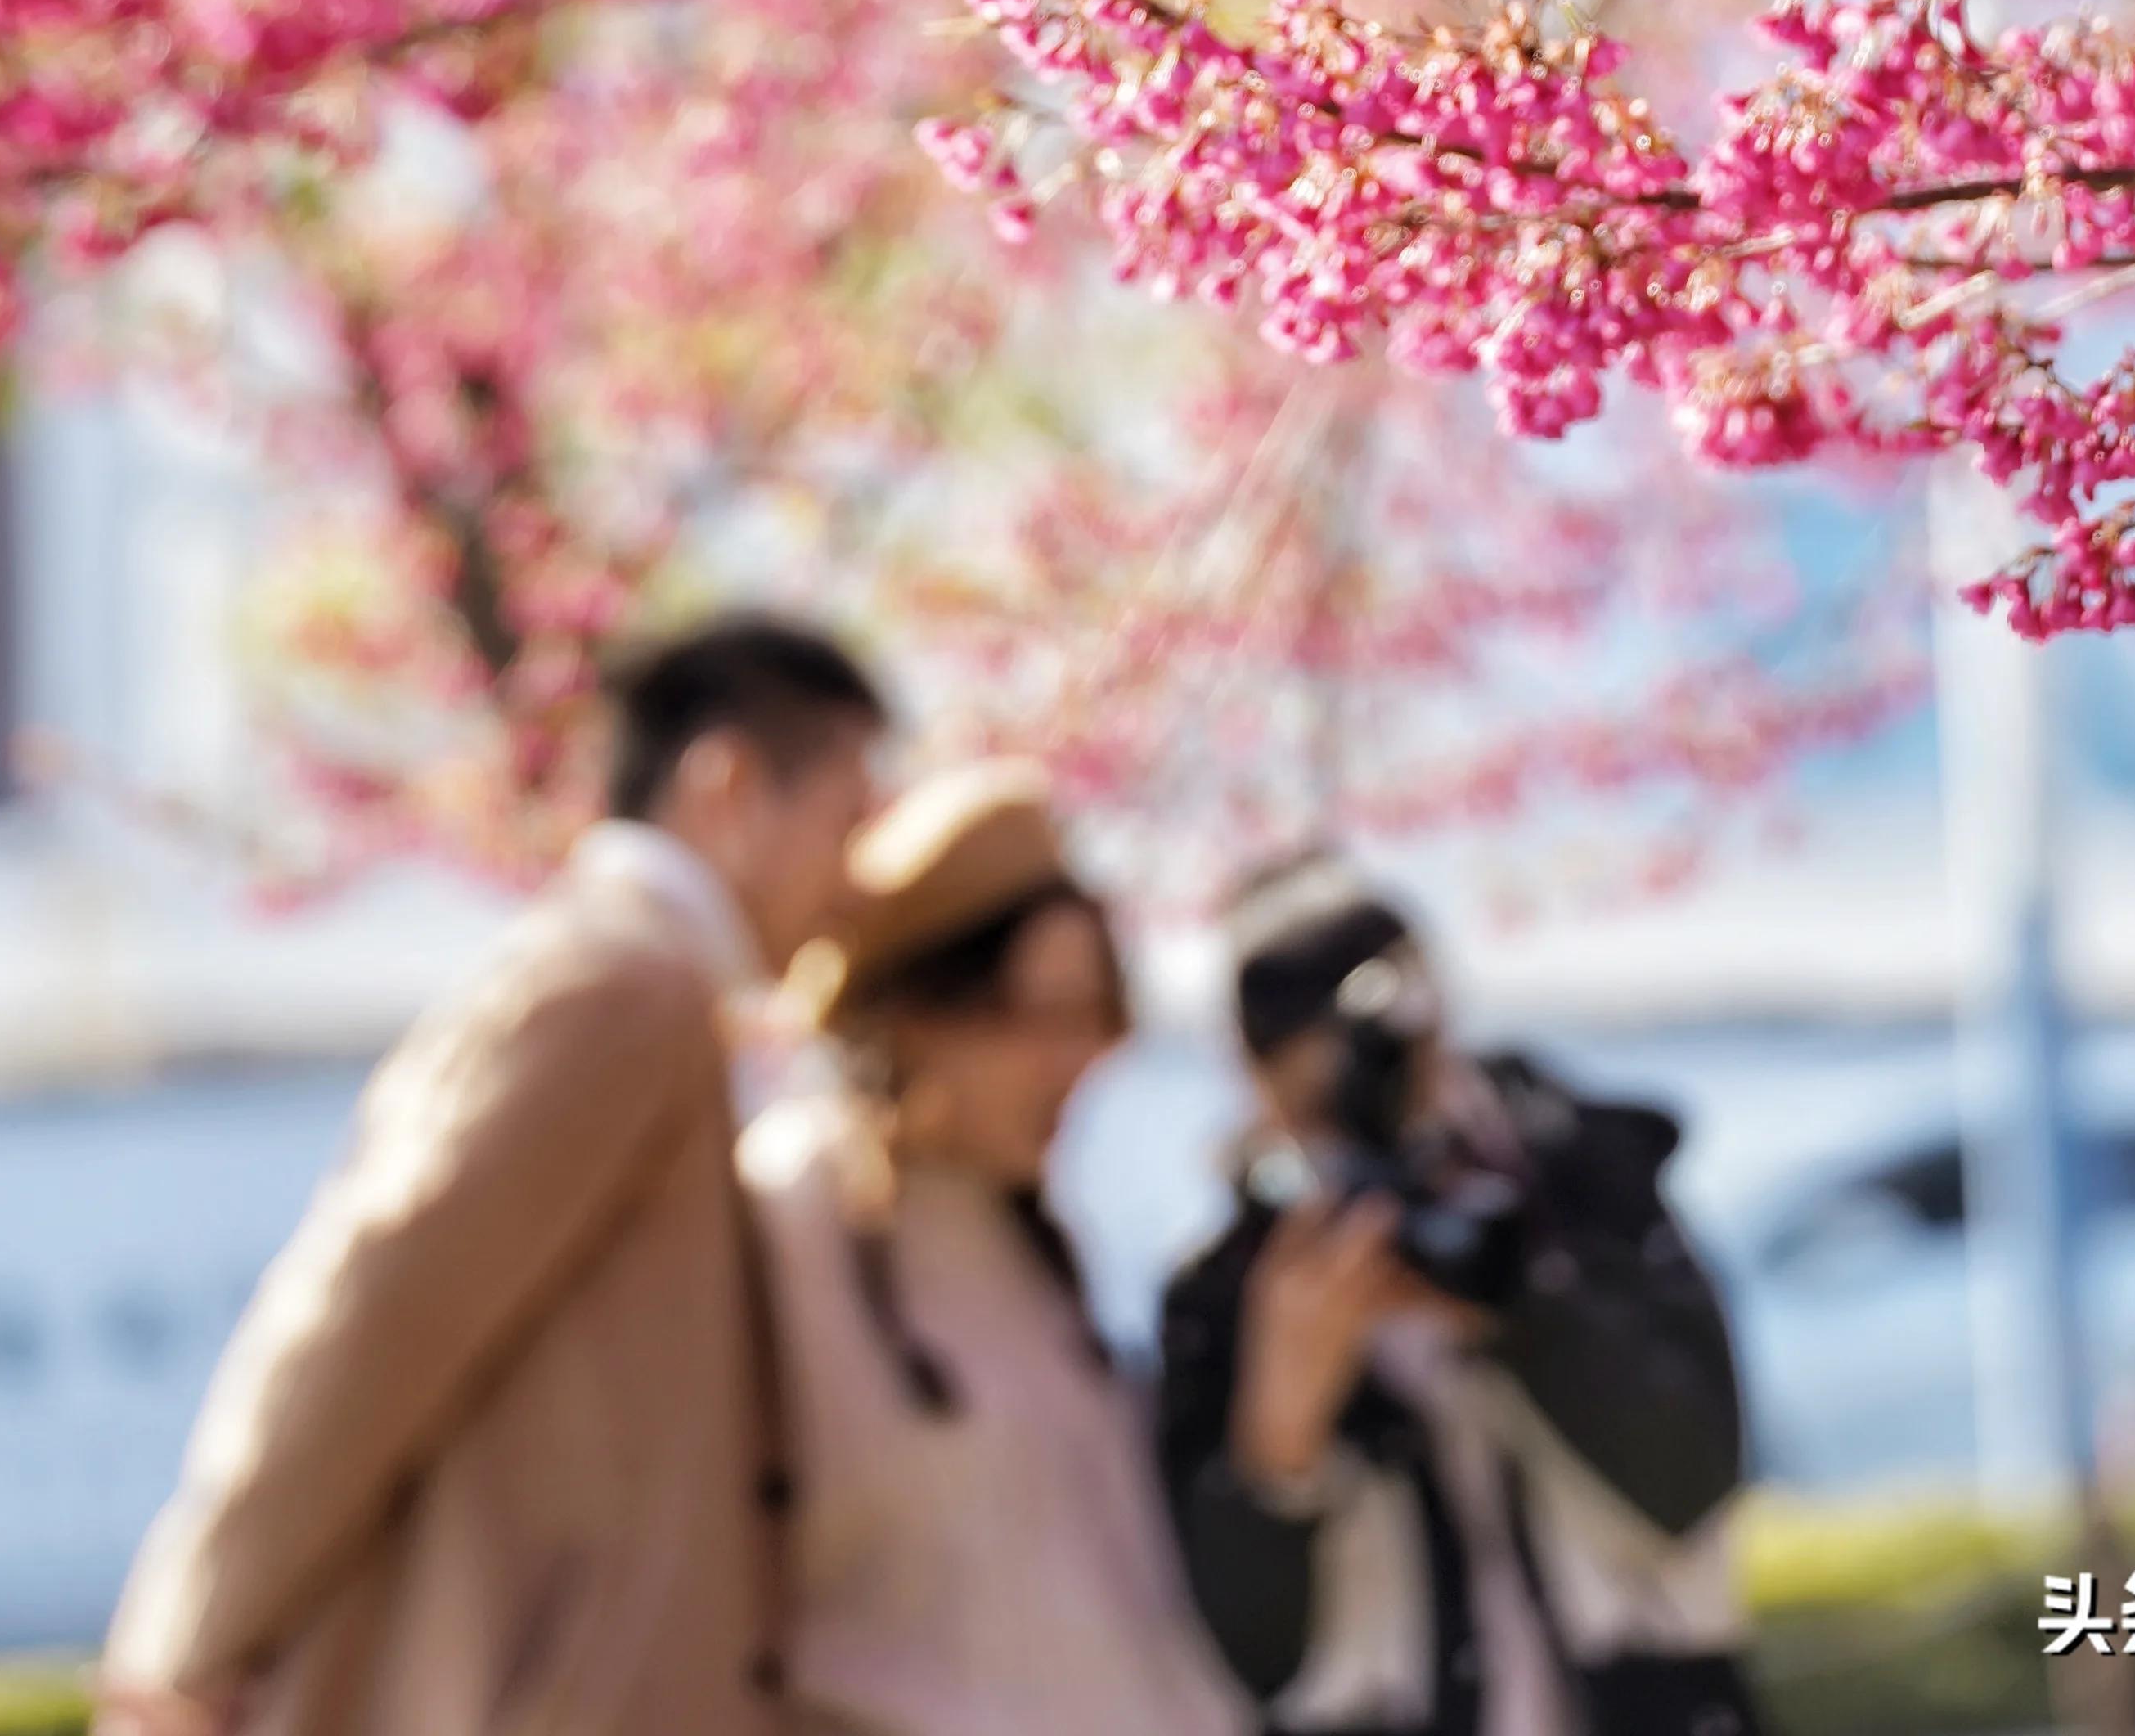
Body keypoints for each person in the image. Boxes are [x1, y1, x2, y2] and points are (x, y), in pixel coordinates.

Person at [97, 611, 889, 1736]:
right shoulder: (622, 990)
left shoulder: (643, 988)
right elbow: (378, 1310)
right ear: (728, 786)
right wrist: (188, 1644)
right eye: (846, 820)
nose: (854, 881)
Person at [1157, 861, 1762, 1736]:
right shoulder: (1229, 1293)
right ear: (1254, 1085)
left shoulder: (1582, 1182)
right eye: (1321, 1108)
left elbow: (1691, 1478)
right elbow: (1237, 1656)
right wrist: (1276, 1440)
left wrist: (1517, 1303)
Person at [739, 760, 1252, 1736]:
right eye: (1046, 1014)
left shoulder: (1023, 1234)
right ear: (912, 1011)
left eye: (1100, 1017)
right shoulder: (789, 1216)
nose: (1087, 1059)